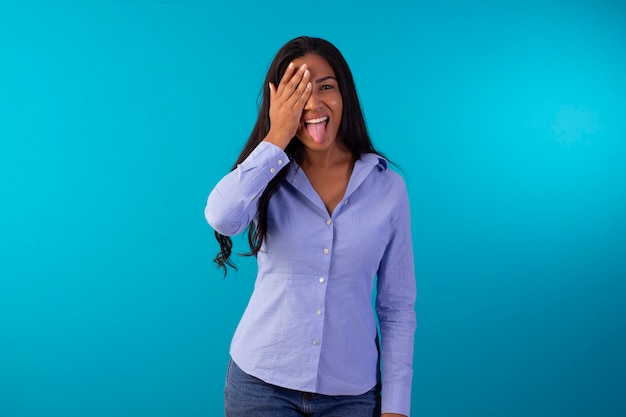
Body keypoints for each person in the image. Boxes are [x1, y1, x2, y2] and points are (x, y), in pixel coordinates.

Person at [204, 36, 416, 417]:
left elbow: (397, 306)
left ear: (344, 94)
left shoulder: (388, 187)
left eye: (325, 87)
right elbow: (221, 216)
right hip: (260, 387)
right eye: (297, 91)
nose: (314, 103)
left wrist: (397, 406)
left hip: (351, 394)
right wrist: (276, 136)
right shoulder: (266, 175)